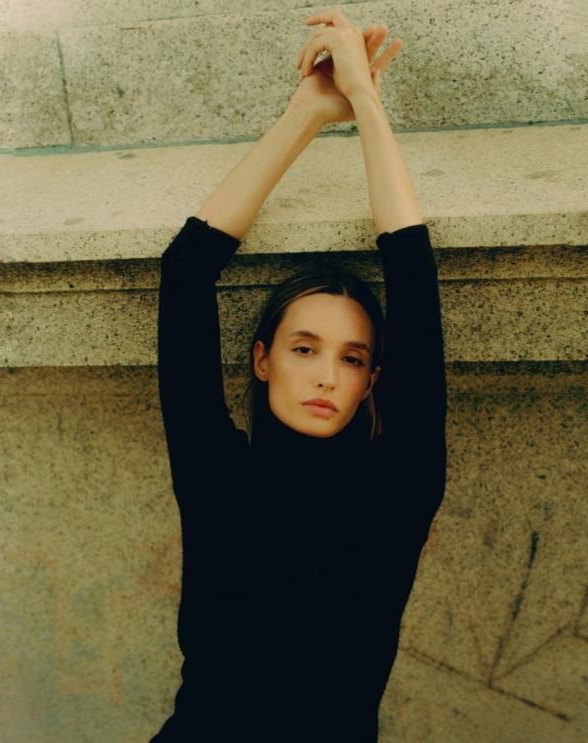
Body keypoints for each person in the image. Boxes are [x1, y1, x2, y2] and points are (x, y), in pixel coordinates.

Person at [150, 9, 447, 742]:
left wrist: (368, 103)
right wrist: (308, 111)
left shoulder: (400, 484)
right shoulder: (216, 469)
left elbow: (412, 274)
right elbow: (186, 273)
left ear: (373, 380)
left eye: (351, 358)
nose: (326, 376)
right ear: (263, 359)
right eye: (304, 348)